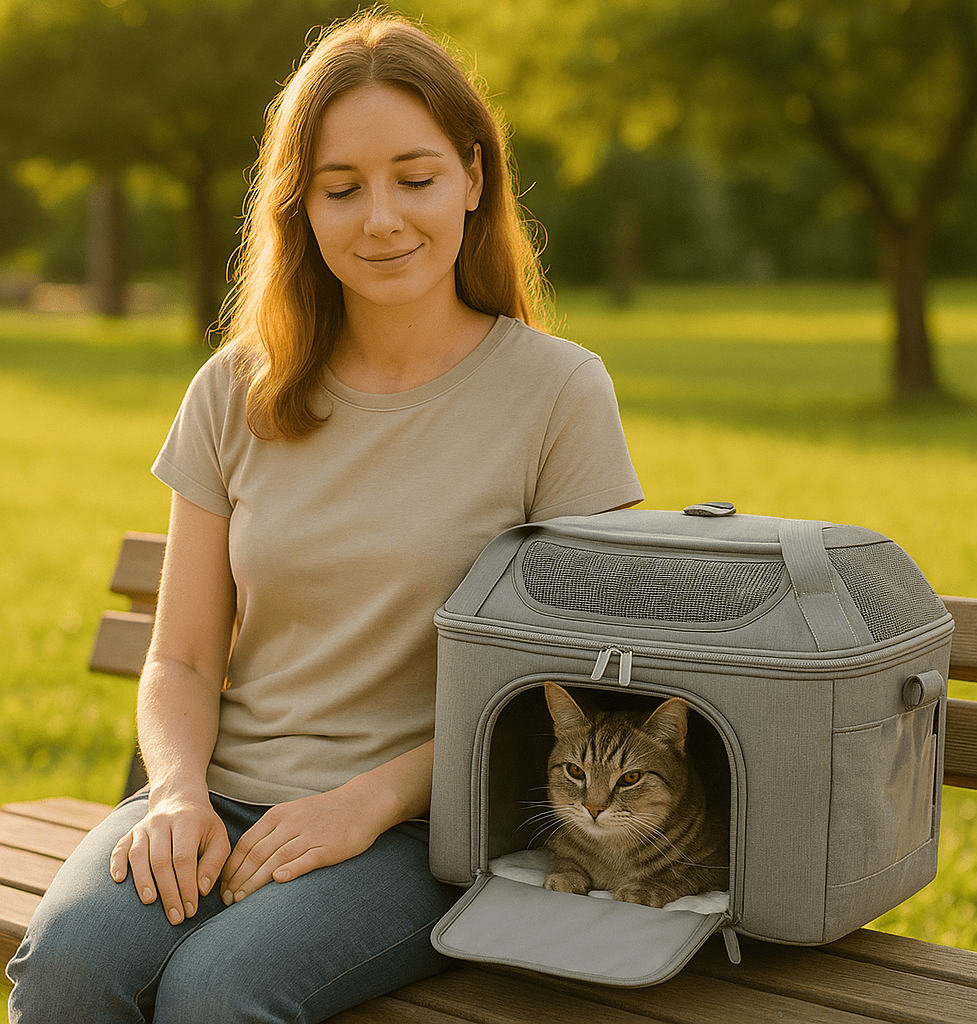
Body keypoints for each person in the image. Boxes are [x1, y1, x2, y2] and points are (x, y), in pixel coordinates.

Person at [7, 12, 643, 1023]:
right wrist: (175, 795)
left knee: (219, 992)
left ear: (473, 177)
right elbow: (181, 658)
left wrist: (365, 803)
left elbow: (561, 688)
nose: (380, 219)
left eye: (414, 177)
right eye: (341, 189)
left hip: (418, 831)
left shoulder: (557, 394)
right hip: (218, 799)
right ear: (299, 208)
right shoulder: (235, 389)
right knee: (68, 970)